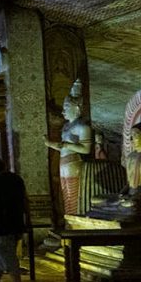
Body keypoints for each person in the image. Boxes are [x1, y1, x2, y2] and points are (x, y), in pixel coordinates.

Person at [89, 122, 141, 222]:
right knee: (95, 199)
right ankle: (117, 208)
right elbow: (129, 183)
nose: (132, 140)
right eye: (131, 136)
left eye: (135, 135)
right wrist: (121, 194)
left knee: (132, 204)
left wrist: (135, 196)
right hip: (129, 197)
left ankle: (119, 209)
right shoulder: (131, 157)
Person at [43, 80, 93, 216]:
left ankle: (75, 219)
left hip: (73, 163)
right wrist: (50, 144)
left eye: (66, 107)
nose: (63, 110)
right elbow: (62, 147)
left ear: (76, 108)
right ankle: (69, 221)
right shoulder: (66, 127)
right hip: (64, 162)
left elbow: (86, 149)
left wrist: (68, 145)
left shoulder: (82, 127)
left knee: (73, 194)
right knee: (65, 194)